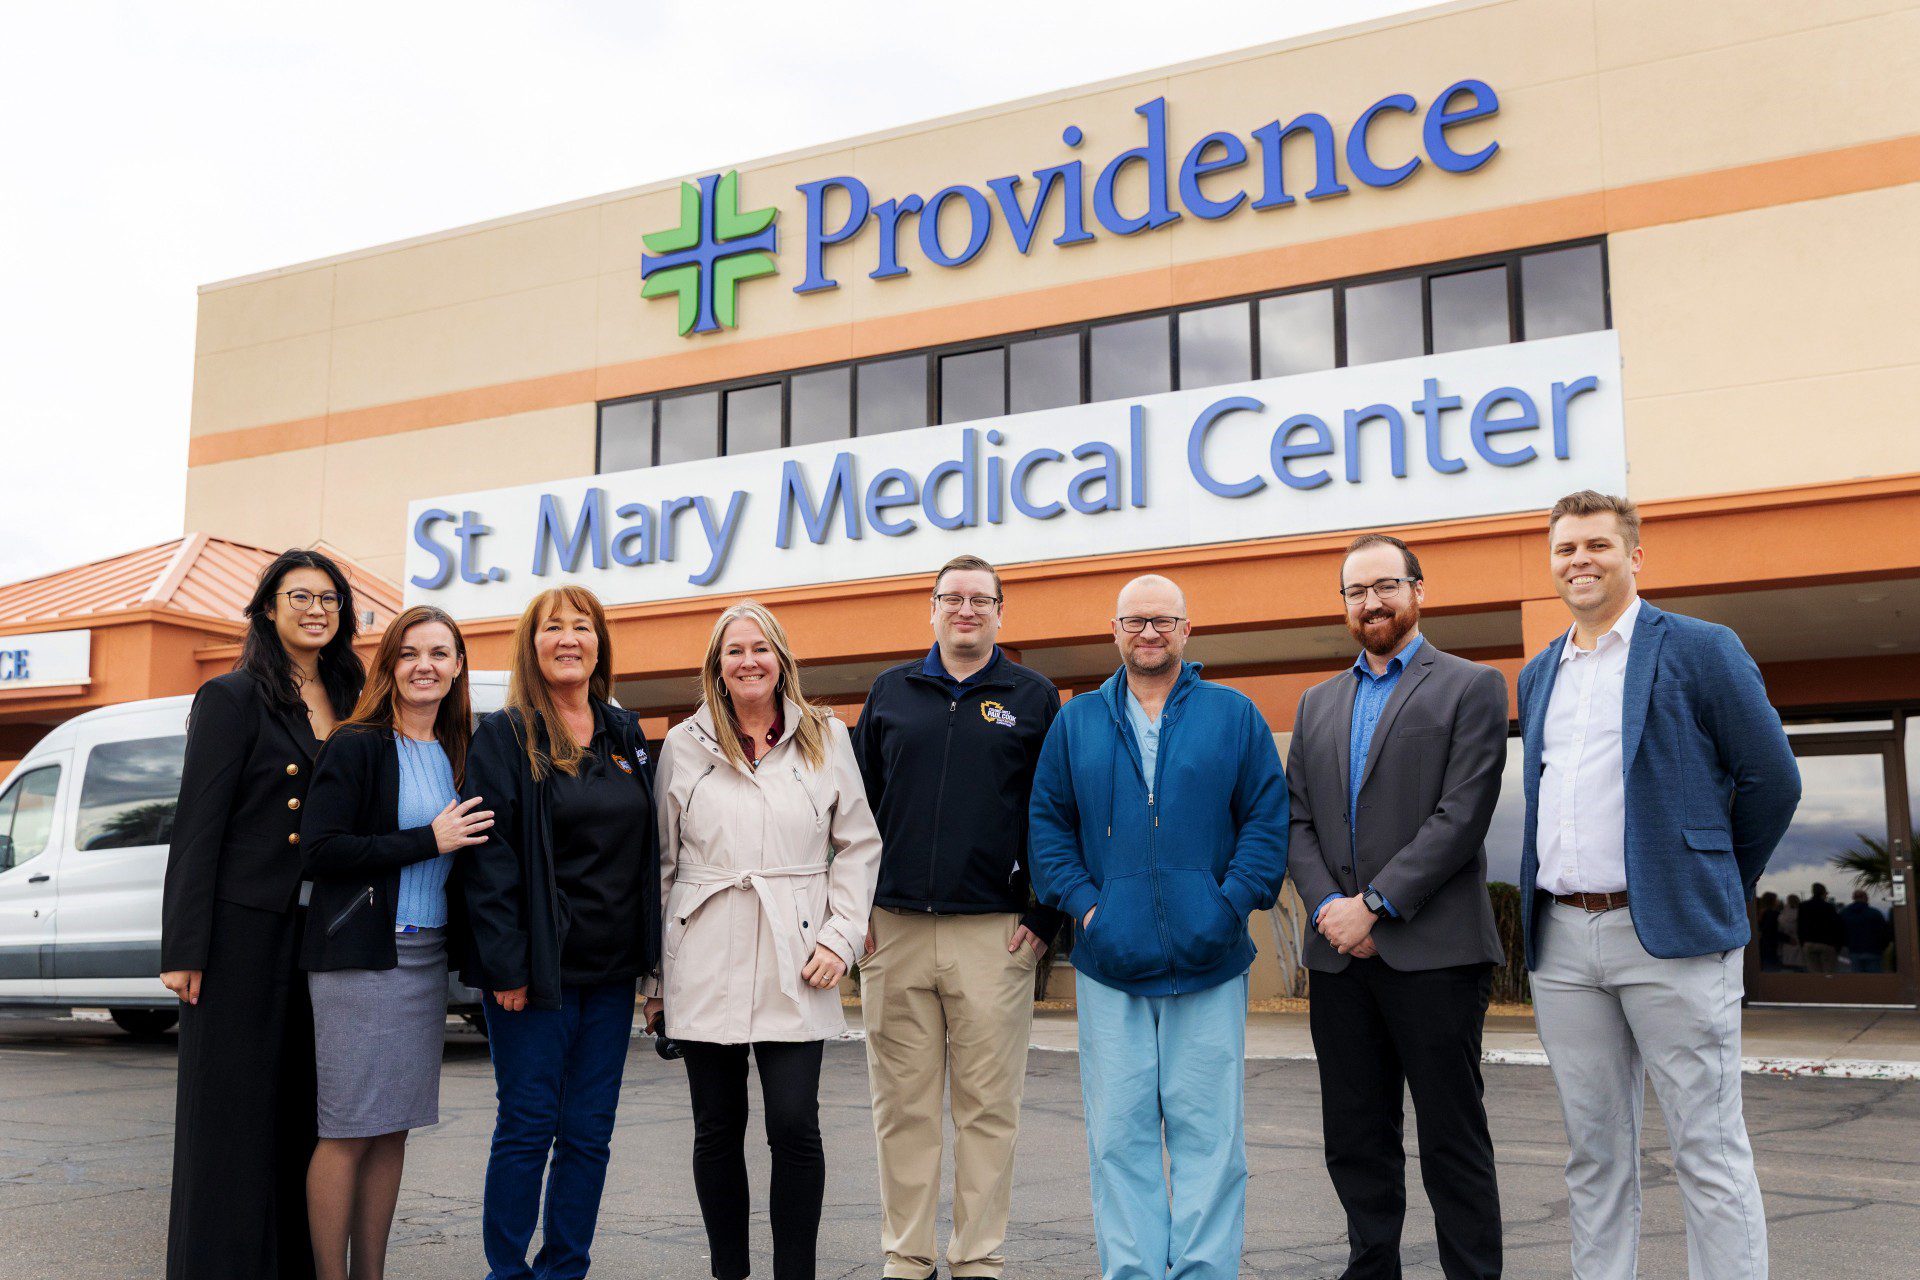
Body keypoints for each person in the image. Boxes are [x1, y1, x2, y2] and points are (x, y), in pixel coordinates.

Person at [1517, 490, 1800, 1279]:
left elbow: (1773, 780)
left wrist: (1709, 881)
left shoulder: (1702, 649)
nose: (1580, 560)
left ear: (1634, 555)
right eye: (1566, 548)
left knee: (1707, 1148)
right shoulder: (1539, 674)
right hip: (1563, 943)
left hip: (1672, 936)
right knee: (1594, 1154)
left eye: (1597, 545)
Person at [1029, 574, 1289, 1280]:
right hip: (1110, 963)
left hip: (1210, 961)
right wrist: (1089, 910)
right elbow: (1048, 827)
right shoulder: (1076, 722)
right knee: (1119, 1139)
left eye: (1163, 621)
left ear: (1186, 629)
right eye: (1135, 621)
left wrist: (1228, 905)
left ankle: (1204, 1272)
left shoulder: (1233, 715)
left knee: (1211, 1139)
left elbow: (1266, 820)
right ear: (1115, 631)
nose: (1149, 632)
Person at [1286, 533, 1508, 1280]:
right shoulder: (1317, 704)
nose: (1372, 602)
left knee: (1452, 1140)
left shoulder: (1472, 686)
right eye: (1356, 591)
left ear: (1418, 590)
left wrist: (1375, 906)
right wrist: (1331, 909)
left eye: (1385, 586)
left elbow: (1461, 815)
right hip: (1339, 960)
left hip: (1435, 954)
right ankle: (1371, 1269)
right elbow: (1297, 821)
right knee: (1355, 1139)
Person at [648, 600, 883, 1280]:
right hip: (702, 950)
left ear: (781, 659)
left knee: (794, 1124)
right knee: (717, 1128)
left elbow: (859, 844)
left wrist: (840, 938)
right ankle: (729, 1272)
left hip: (798, 953)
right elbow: (662, 864)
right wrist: (655, 981)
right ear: (716, 667)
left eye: (760, 648)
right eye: (734, 651)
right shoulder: (684, 744)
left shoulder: (825, 737)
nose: (748, 661)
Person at [851, 554, 1065, 1280]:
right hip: (893, 930)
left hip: (995, 934)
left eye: (980, 599)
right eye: (952, 598)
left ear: (1001, 612)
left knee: (988, 1110)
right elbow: (854, 813)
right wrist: (853, 911)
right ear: (932, 609)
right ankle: (906, 1256)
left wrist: (1044, 916)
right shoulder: (890, 692)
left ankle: (978, 1259)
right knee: (901, 1108)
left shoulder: (1033, 697)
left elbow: (1054, 812)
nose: (965, 610)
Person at [160, 548, 366, 1280]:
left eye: (330, 598)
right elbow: (198, 825)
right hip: (241, 932)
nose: (316, 610)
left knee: (306, 1115)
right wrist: (185, 949)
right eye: (300, 596)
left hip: (325, 935)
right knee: (232, 1121)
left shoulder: (353, 695)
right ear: (268, 609)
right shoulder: (232, 697)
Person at [462, 586, 660, 1280]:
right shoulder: (505, 735)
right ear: (532, 644)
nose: (568, 638)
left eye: (582, 626)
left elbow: (648, 850)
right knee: (527, 1126)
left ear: (600, 643)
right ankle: (507, 1272)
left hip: (611, 973)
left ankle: (565, 1268)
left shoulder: (623, 732)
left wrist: (653, 969)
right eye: (553, 627)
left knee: (589, 1134)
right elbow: (489, 860)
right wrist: (506, 965)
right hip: (535, 975)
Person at [298, 606, 494, 1280]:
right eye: (409, 654)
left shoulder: (459, 751)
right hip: (360, 958)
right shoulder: (357, 744)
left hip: (425, 957)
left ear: (458, 666)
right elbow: (320, 851)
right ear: (389, 666)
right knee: (348, 1128)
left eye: (438, 653)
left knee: (392, 1127)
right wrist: (426, 841)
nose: (424, 666)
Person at [1797, 882, 1844, 975]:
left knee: (1814, 974)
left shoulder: (1803, 906)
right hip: (1827, 944)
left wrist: (1802, 942)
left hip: (1809, 943)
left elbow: (1800, 926)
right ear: (1823, 892)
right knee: (1828, 973)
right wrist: (1838, 945)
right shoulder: (1829, 907)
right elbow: (1837, 926)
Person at [1838, 889, 1889, 973]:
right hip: (1873, 950)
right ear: (1866, 898)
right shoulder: (1875, 913)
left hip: (1853, 950)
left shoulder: (1844, 913)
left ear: (1853, 898)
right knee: (1874, 977)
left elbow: (1840, 931)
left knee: (1858, 977)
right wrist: (1883, 947)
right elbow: (1884, 932)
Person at [1756, 892, 1783, 970]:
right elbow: (1772, 931)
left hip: (1763, 946)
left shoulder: (1760, 913)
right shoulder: (1773, 914)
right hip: (1771, 946)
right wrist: (1787, 938)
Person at [1779, 894, 1804, 970]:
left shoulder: (1783, 914)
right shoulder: (1801, 913)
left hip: (1787, 941)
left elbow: (1780, 929)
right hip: (1798, 940)